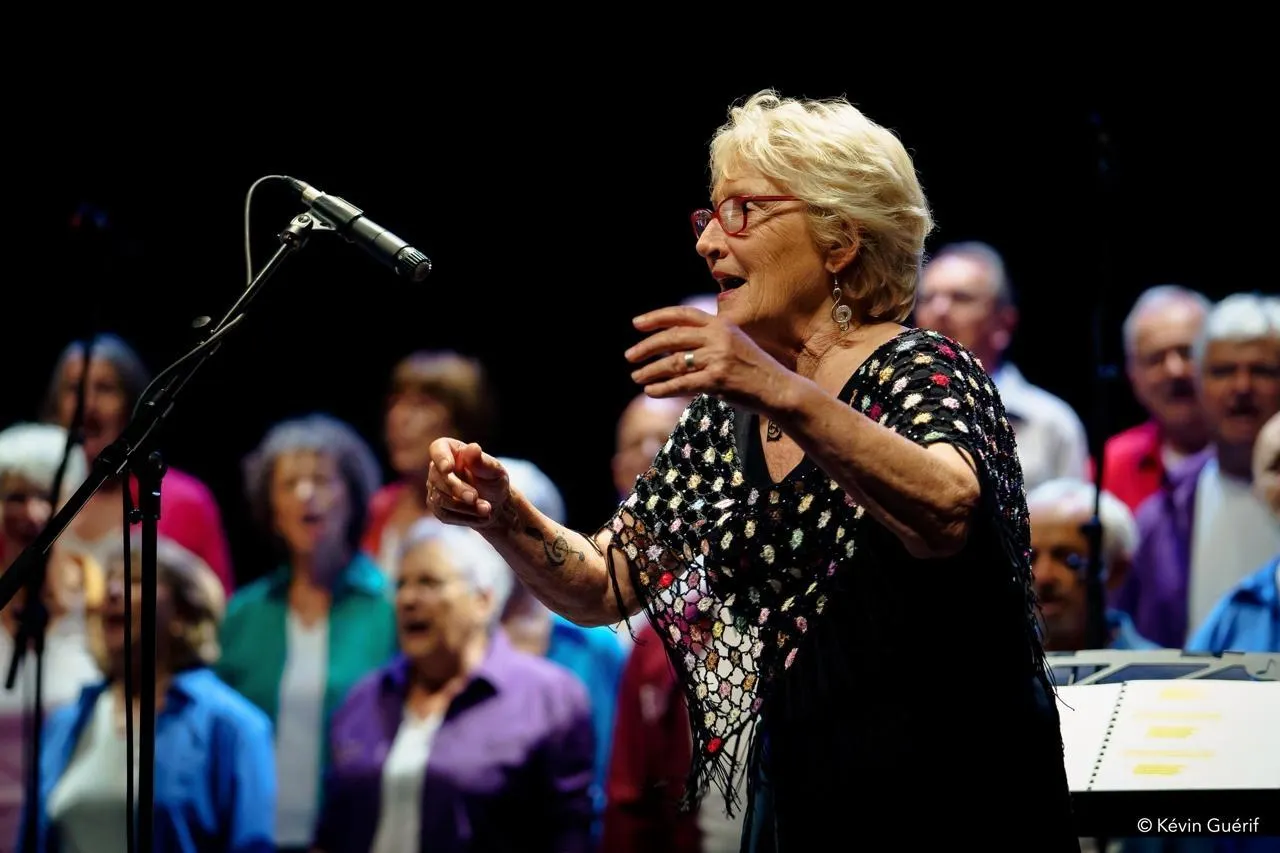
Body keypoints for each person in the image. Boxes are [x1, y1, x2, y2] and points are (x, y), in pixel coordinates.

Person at [424, 90, 1078, 849]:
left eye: (742, 212)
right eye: (709, 217)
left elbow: (947, 511)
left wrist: (773, 385)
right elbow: (607, 582)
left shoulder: (923, 365)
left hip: (955, 796)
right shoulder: (727, 414)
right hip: (806, 799)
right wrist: (504, 514)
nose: (709, 243)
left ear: (839, 239)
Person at [313, 518, 595, 853]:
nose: (407, 599)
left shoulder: (549, 699)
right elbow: (330, 831)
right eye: (401, 584)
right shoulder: (364, 698)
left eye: (429, 582)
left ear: (483, 600)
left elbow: (569, 835)